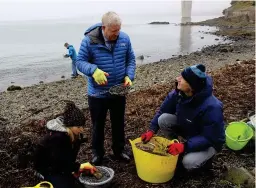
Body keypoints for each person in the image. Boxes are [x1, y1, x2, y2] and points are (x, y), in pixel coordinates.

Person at [76, 11, 136, 165]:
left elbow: (131, 59)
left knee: (118, 123)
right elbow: (80, 62)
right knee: (98, 125)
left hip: (119, 90)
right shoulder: (89, 41)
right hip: (97, 94)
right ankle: (97, 153)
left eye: (119, 30)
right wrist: (93, 70)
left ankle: (119, 150)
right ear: (104, 28)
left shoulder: (124, 38)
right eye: (113, 31)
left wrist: (129, 76)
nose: (117, 33)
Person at [141, 64, 225, 171]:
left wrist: (185, 146)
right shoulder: (179, 93)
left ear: (192, 86)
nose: (178, 79)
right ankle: (175, 146)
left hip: (209, 142)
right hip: (189, 129)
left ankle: (206, 160)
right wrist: (152, 130)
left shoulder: (212, 106)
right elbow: (163, 110)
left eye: (182, 78)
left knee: (188, 163)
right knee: (163, 119)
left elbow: (209, 138)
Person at [34, 101, 97, 188]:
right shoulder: (58, 138)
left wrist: (75, 169)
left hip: (60, 166)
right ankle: (44, 177)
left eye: (82, 126)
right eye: (78, 127)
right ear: (70, 125)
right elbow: (58, 162)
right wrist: (78, 167)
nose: (82, 130)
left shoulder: (74, 135)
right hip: (48, 169)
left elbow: (66, 158)